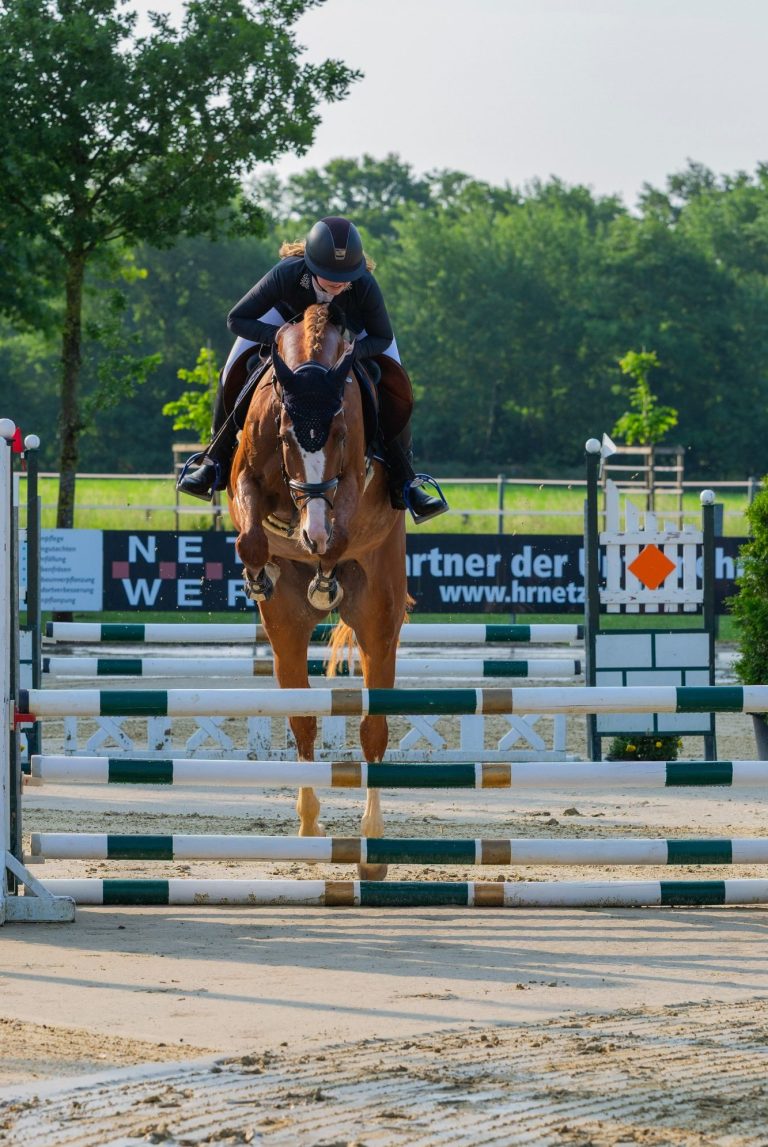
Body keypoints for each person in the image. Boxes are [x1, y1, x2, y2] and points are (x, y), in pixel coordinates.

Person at [177, 216, 448, 523]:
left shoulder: (363, 285)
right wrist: (277, 338)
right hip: (283, 322)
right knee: (235, 369)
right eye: (332, 278)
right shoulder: (289, 274)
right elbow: (236, 319)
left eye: (345, 278)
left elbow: (382, 337)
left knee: (391, 377)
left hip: (348, 331)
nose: (340, 285)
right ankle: (214, 460)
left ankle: (406, 479)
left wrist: (353, 351)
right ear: (313, 268)